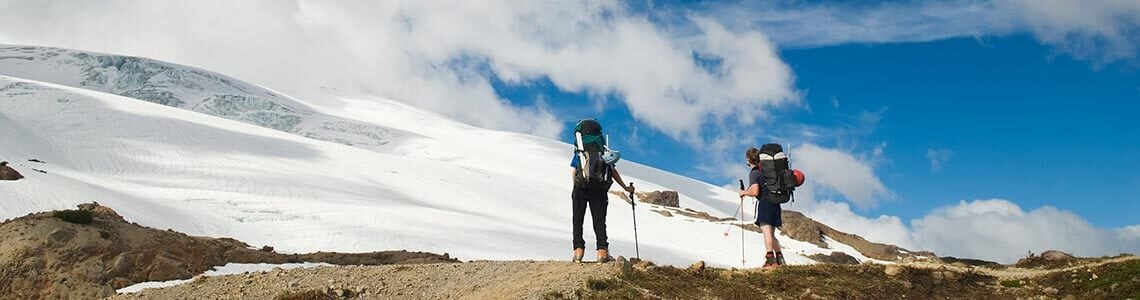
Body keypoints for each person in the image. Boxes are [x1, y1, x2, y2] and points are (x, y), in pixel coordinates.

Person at [569, 134, 634, 264]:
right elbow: (613, 172)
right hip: (599, 190)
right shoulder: (604, 153)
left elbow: (575, 171)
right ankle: (602, 252)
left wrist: (576, 187)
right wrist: (626, 187)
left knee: (578, 220)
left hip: (581, 189)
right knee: (599, 221)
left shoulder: (580, 152)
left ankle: (578, 252)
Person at [738, 147, 784, 268]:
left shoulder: (754, 173)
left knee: (766, 233)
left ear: (749, 159)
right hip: (775, 203)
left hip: (765, 204)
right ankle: (780, 258)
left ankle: (770, 260)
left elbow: (755, 192)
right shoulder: (767, 171)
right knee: (771, 234)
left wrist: (743, 193)